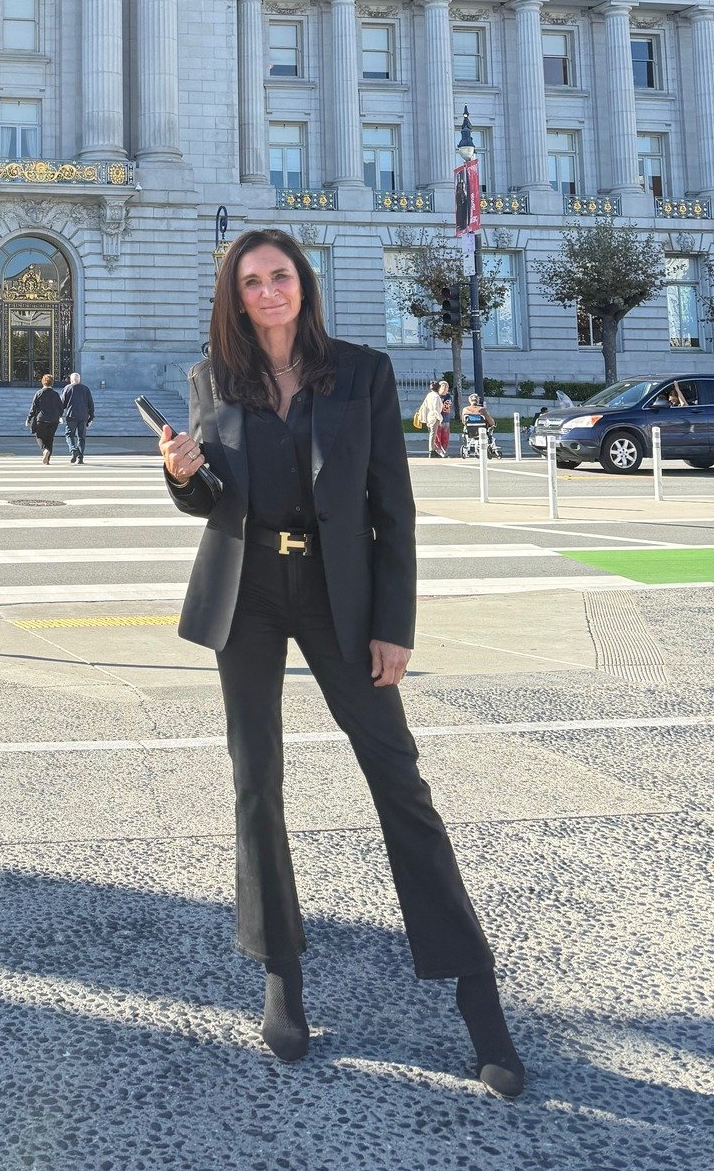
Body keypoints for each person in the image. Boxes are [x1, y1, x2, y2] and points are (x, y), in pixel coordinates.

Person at [158, 227, 524, 1098]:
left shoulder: (361, 371)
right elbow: (214, 500)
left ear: (303, 283)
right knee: (258, 782)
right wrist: (181, 474)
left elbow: (391, 508)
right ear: (235, 296)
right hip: (245, 596)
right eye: (251, 282)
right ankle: (281, 973)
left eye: (280, 275)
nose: (268, 292)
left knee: (400, 782)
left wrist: (393, 625)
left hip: (340, 598)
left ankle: (480, 1003)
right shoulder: (214, 377)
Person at [26, 373, 63, 465]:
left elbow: (33, 407)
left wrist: (29, 418)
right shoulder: (56, 394)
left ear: (43, 382)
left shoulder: (39, 393)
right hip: (54, 420)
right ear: (52, 383)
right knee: (50, 439)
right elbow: (60, 407)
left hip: (41, 419)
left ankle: (45, 450)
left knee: (40, 437)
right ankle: (48, 460)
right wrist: (59, 416)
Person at [61, 371, 96, 464]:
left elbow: (62, 404)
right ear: (79, 379)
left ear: (71, 380)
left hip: (71, 415)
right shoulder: (86, 389)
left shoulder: (67, 388)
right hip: (83, 416)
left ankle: (73, 450)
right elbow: (91, 404)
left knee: (69, 434)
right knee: (81, 437)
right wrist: (91, 417)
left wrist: (59, 415)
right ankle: (80, 457)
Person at [461, 393, 501, 458]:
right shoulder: (482, 410)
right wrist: (493, 424)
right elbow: (491, 422)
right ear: (478, 401)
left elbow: (463, 421)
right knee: (492, 425)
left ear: (470, 401)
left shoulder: (465, 410)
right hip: (482, 431)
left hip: (470, 431)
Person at [415, 380, 444, 458]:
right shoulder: (436, 396)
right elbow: (435, 409)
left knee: (432, 434)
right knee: (433, 434)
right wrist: (440, 418)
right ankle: (432, 450)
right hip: (434, 417)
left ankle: (433, 449)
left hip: (429, 416)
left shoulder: (429, 395)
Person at [436, 380, 453, 456]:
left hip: (445, 418)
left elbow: (445, 407)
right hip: (437, 419)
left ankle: (444, 450)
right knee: (437, 436)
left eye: (446, 386)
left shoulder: (448, 397)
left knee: (445, 436)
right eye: (443, 386)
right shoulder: (436, 396)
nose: (445, 388)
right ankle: (438, 450)